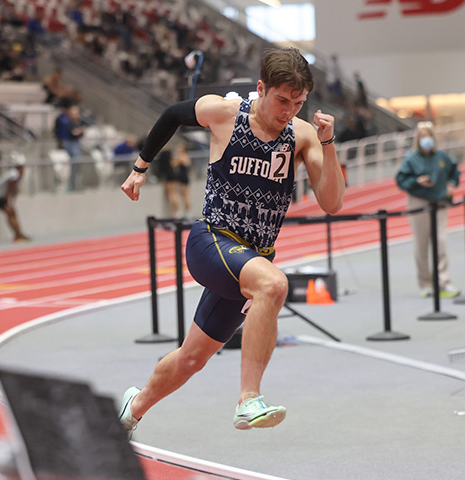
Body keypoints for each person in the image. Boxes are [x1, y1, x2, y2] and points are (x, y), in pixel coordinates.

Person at [118, 47, 345, 436]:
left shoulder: (302, 135)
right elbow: (174, 112)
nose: (289, 110)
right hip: (212, 240)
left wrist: (328, 142)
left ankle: (131, 408)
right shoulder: (225, 114)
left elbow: (332, 202)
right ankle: (249, 399)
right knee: (273, 284)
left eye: (298, 102)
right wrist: (141, 167)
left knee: (192, 358)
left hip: (249, 258)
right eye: (282, 100)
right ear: (261, 88)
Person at [395, 122, 461, 298]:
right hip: (418, 202)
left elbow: (455, 171)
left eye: (428, 136)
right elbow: (401, 180)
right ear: (418, 139)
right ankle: (425, 283)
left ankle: (444, 281)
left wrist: (452, 185)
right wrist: (417, 181)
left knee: (441, 242)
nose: (426, 140)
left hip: (439, 202)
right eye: (422, 136)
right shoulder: (411, 158)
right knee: (421, 244)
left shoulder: (441, 156)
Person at [0, 152, 30, 242]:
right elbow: (9, 188)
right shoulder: (14, 174)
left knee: (12, 212)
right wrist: (8, 201)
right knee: (10, 211)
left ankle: (19, 233)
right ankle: (17, 234)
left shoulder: (15, 174)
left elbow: (13, 189)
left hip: (0, 196)